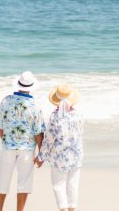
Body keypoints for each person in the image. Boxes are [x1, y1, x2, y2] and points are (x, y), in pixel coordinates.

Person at [0, 71, 46, 211]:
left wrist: (7, 141)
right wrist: (40, 155)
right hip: (27, 150)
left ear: (18, 85)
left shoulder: (6, 100)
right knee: (24, 183)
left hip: (7, 147)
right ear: (31, 87)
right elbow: (39, 133)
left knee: (3, 180)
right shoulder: (35, 106)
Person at [35, 83, 84, 211]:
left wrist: (40, 157)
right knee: (73, 185)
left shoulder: (55, 117)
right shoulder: (78, 115)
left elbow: (49, 140)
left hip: (59, 158)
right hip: (76, 155)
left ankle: (62, 209)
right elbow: (80, 134)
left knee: (58, 185)